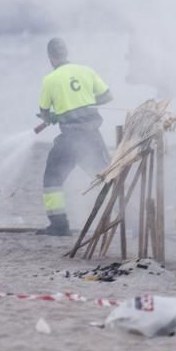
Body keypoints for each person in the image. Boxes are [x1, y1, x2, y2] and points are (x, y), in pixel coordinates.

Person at [35, 37, 112, 236]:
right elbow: (107, 96)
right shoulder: (86, 71)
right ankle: (131, 220)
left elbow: (44, 113)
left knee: (52, 179)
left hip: (69, 140)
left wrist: (52, 115)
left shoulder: (50, 80)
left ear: (50, 57)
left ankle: (59, 225)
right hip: (92, 137)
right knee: (107, 178)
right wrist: (84, 101)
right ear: (66, 53)